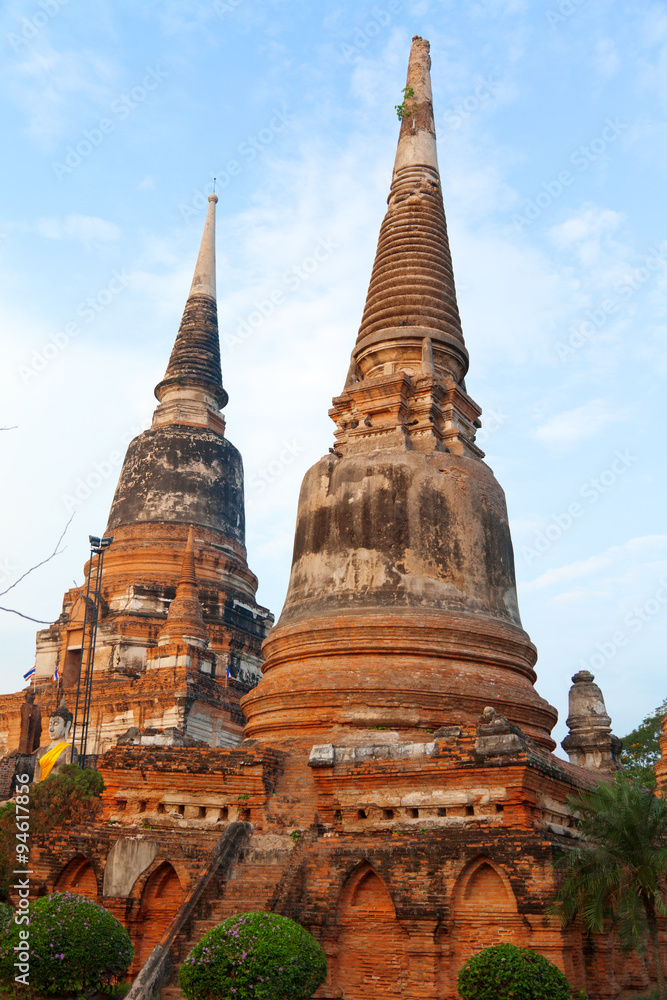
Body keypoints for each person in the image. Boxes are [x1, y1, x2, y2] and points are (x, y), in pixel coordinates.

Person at [33, 700, 74, 782]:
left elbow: (70, 779)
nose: (51, 729)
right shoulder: (41, 751)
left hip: (59, 791)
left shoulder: (69, 750)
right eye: (50, 724)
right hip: (41, 791)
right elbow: (36, 780)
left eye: (55, 724)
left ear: (67, 726)